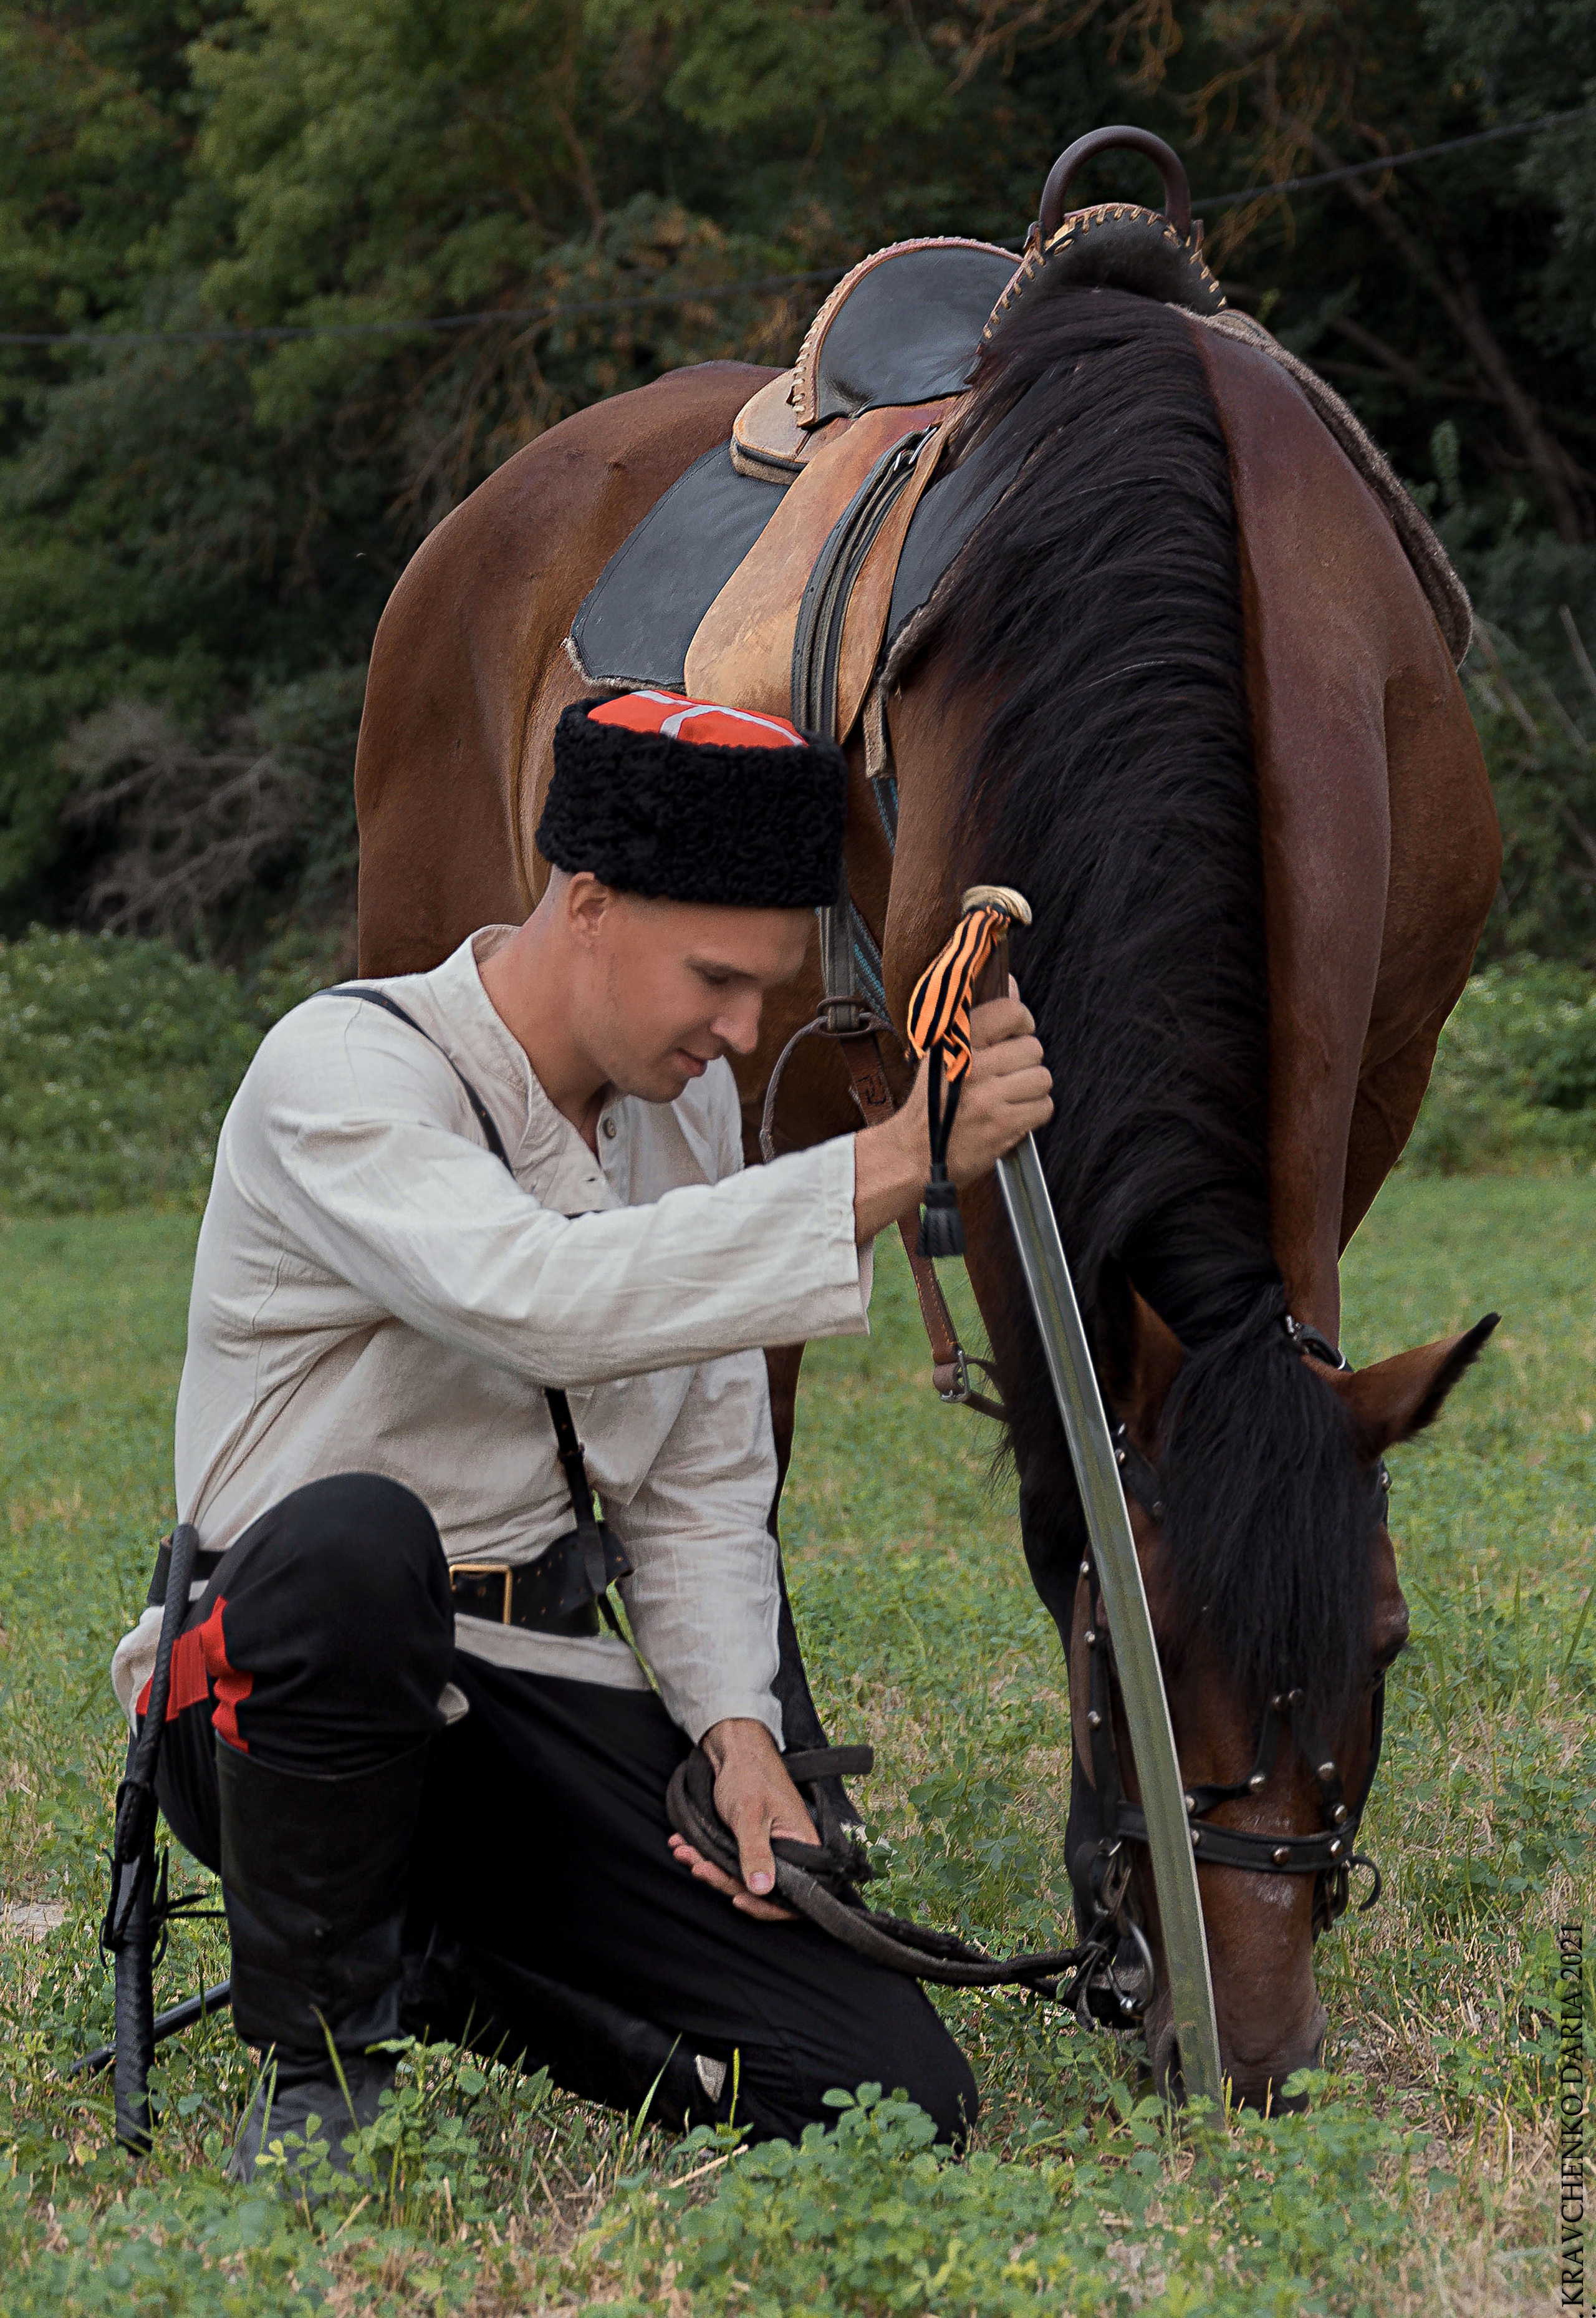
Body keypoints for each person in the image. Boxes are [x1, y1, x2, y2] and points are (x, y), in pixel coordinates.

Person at [108, 689, 1053, 2177]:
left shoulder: (685, 1113)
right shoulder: (342, 1071)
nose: (739, 1034)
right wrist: (896, 1158)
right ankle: (319, 2067)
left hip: (523, 1690)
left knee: (885, 2090)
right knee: (356, 1540)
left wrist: (738, 1732)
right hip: (281, 1701)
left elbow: (700, 1484)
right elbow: (543, 1297)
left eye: (767, 991)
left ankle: (428, 1963)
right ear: (589, 904)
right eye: (715, 980)